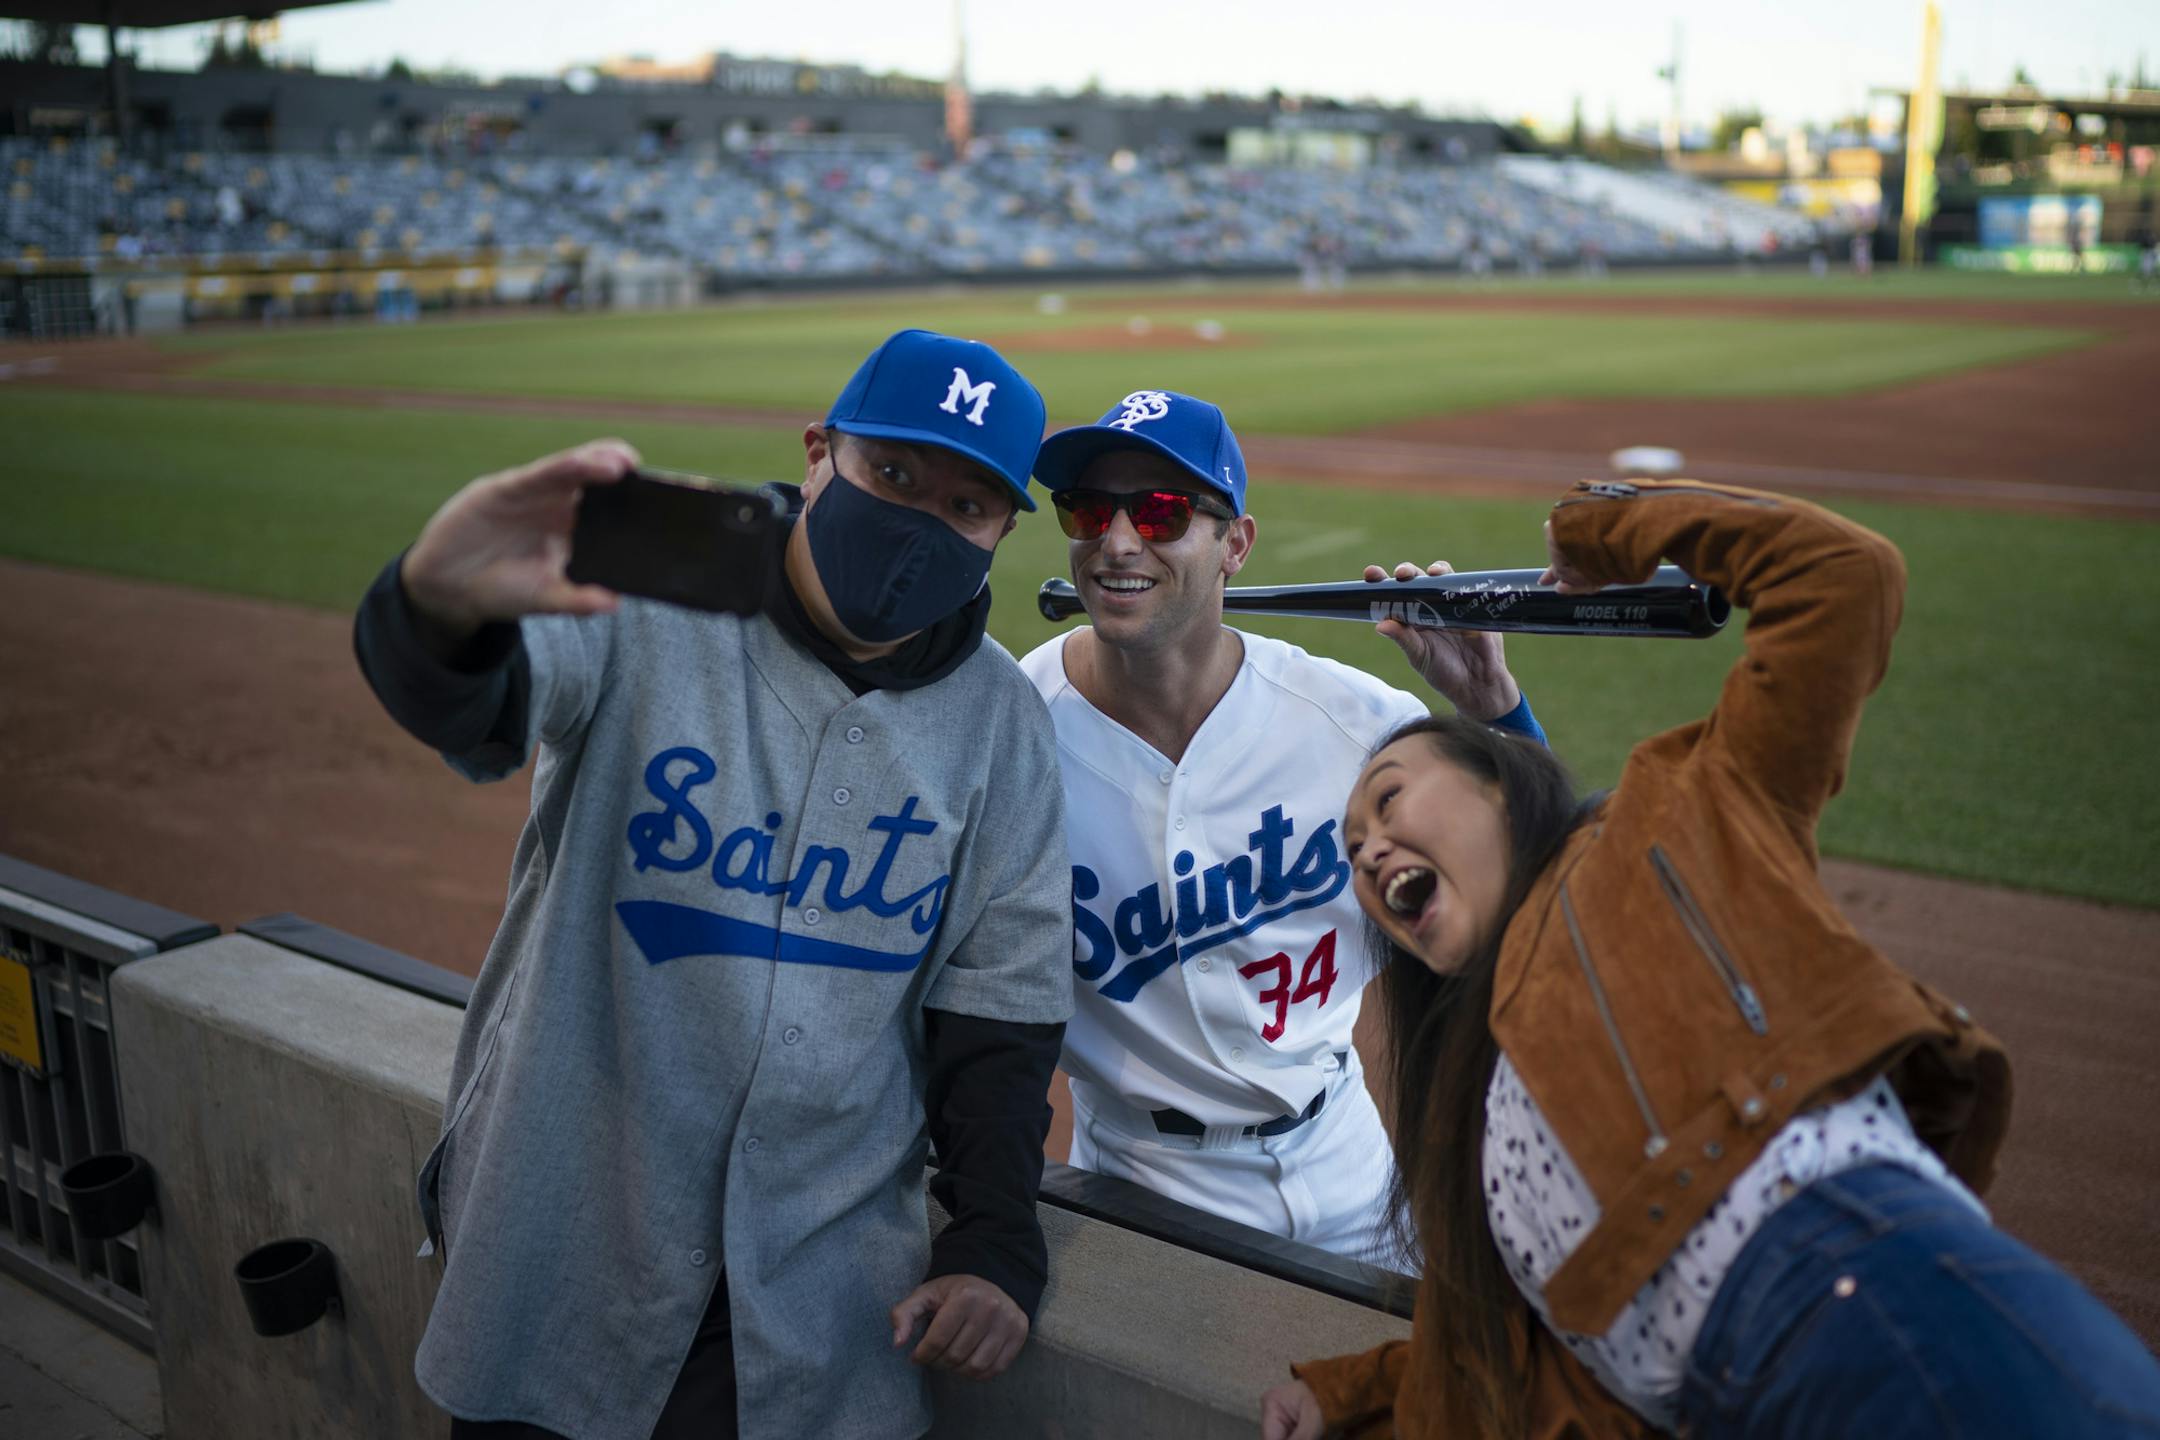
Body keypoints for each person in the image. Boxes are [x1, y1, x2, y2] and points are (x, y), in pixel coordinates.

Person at [1262, 479, 2160, 1439]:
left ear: (1493, 786)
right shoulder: (1479, 1096)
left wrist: (1611, 525)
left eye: (1390, 801)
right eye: (1354, 850)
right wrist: (1354, 1391)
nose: (1369, 851)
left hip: (1877, 1317)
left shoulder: (1681, 828)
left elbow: (1845, 578)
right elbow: (1493, 1350)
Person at [353, 329, 1074, 1440]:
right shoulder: (649, 604)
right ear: (819, 452)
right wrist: (436, 608)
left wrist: (991, 1243)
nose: (924, 521)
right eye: (895, 475)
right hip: (567, 1245)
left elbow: (1000, 1013)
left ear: (1001, 530)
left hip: (820, 1298)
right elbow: (477, 701)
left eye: (970, 505)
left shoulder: (1003, 725)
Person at [1017, 389, 1542, 1267]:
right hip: (1139, 1192)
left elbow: (1528, 905)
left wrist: (1498, 717)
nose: (1115, 540)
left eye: (1160, 512)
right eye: (1088, 509)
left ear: (1237, 546)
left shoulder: (1354, 723)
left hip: (1347, 1163)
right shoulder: (1017, 733)